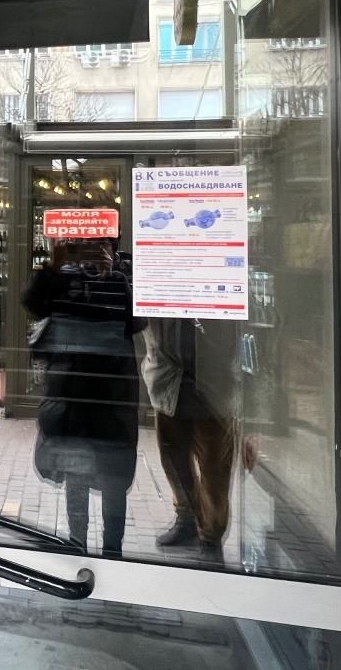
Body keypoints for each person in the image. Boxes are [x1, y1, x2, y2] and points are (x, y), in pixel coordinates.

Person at [24, 237, 142, 556]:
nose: (91, 253)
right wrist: (54, 266)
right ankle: (77, 545)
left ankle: (113, 551)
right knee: (76, 474)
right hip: (72, 398)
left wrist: (113, 275)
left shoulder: (123, 276)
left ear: (113, 249)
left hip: (112, 400)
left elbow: (139, 321)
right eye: (84, 246)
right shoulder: (65, 277)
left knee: (114, 479)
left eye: (100, 246)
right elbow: (33, 304)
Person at [141, 317, 236, 550]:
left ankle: (211, 536)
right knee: (174, 461)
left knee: (215, 468)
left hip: (213, 386)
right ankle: (187, 520)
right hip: (167, 381)